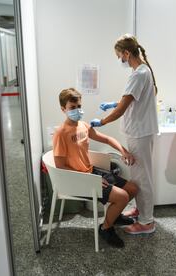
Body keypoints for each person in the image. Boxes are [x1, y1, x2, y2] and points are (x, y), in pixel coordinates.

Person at [53, 88, 138, 248]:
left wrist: (123, 151)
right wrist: (91, 180)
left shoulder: (83, 125)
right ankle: (105, 228)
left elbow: (106, 139)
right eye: (72, 108)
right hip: (78, 180)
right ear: (63, 109)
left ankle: (114, 216)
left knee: (133, 189)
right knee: (122, 197)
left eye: (79, 106)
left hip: (90, 172)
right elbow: (60, 167)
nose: (77, 110)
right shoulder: (61, 133)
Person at [90, 34, 158, 235]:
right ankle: (141, 210)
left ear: (127, 53)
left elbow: (121, 110)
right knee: (138, 176)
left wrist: (101, 122)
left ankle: (147, 222)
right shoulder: (144, 70)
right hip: (141, 131)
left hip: (140, 132)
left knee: (142, 178)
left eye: (120, 56)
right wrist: (114, 103)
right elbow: (132, 100)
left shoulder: (138, 74)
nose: (120, 60)